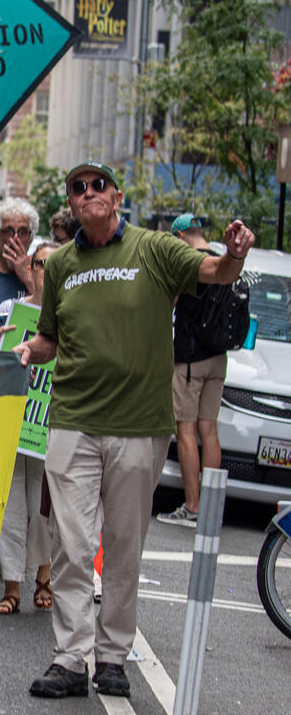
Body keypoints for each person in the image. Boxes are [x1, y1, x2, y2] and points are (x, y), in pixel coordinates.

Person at [13, 161, 255, 700]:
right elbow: (51, 336)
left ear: (117, 197)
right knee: (71, 546)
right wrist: (32, 348)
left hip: (140, 425)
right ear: (72, 204)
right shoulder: (64, 264)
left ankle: (112, 656)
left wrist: (235, 253)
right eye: (79, 188)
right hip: (73, 419)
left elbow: (216, 273)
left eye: (98, 185)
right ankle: (70, 659)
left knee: (123, 547)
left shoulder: (154, 249)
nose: (88, 193)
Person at [0, 241, 59, 615]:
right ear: (30, 267)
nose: (47, 270)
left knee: (43, 505)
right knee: (10, 504)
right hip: (13, 422)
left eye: (55, 263)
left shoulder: (72, 314)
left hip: (50, 427)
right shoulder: (9, 310)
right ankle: (12, 585)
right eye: (42, 263)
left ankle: (44, 576)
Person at [158, 213, 228, 528]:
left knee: (185, 429)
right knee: (209, 429)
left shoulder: (190, 263)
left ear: (182, 236)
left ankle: (193, 505)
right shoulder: (224, 262)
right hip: (219, 357)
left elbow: (167, 303)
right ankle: (212, 508)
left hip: (190, 359)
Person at [0, 197, 39, 312]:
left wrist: (27, 278)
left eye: (23, 232)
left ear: (30, 238)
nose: (15, 238)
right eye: (9, 231)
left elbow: (49, 314)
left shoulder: (41, 272)